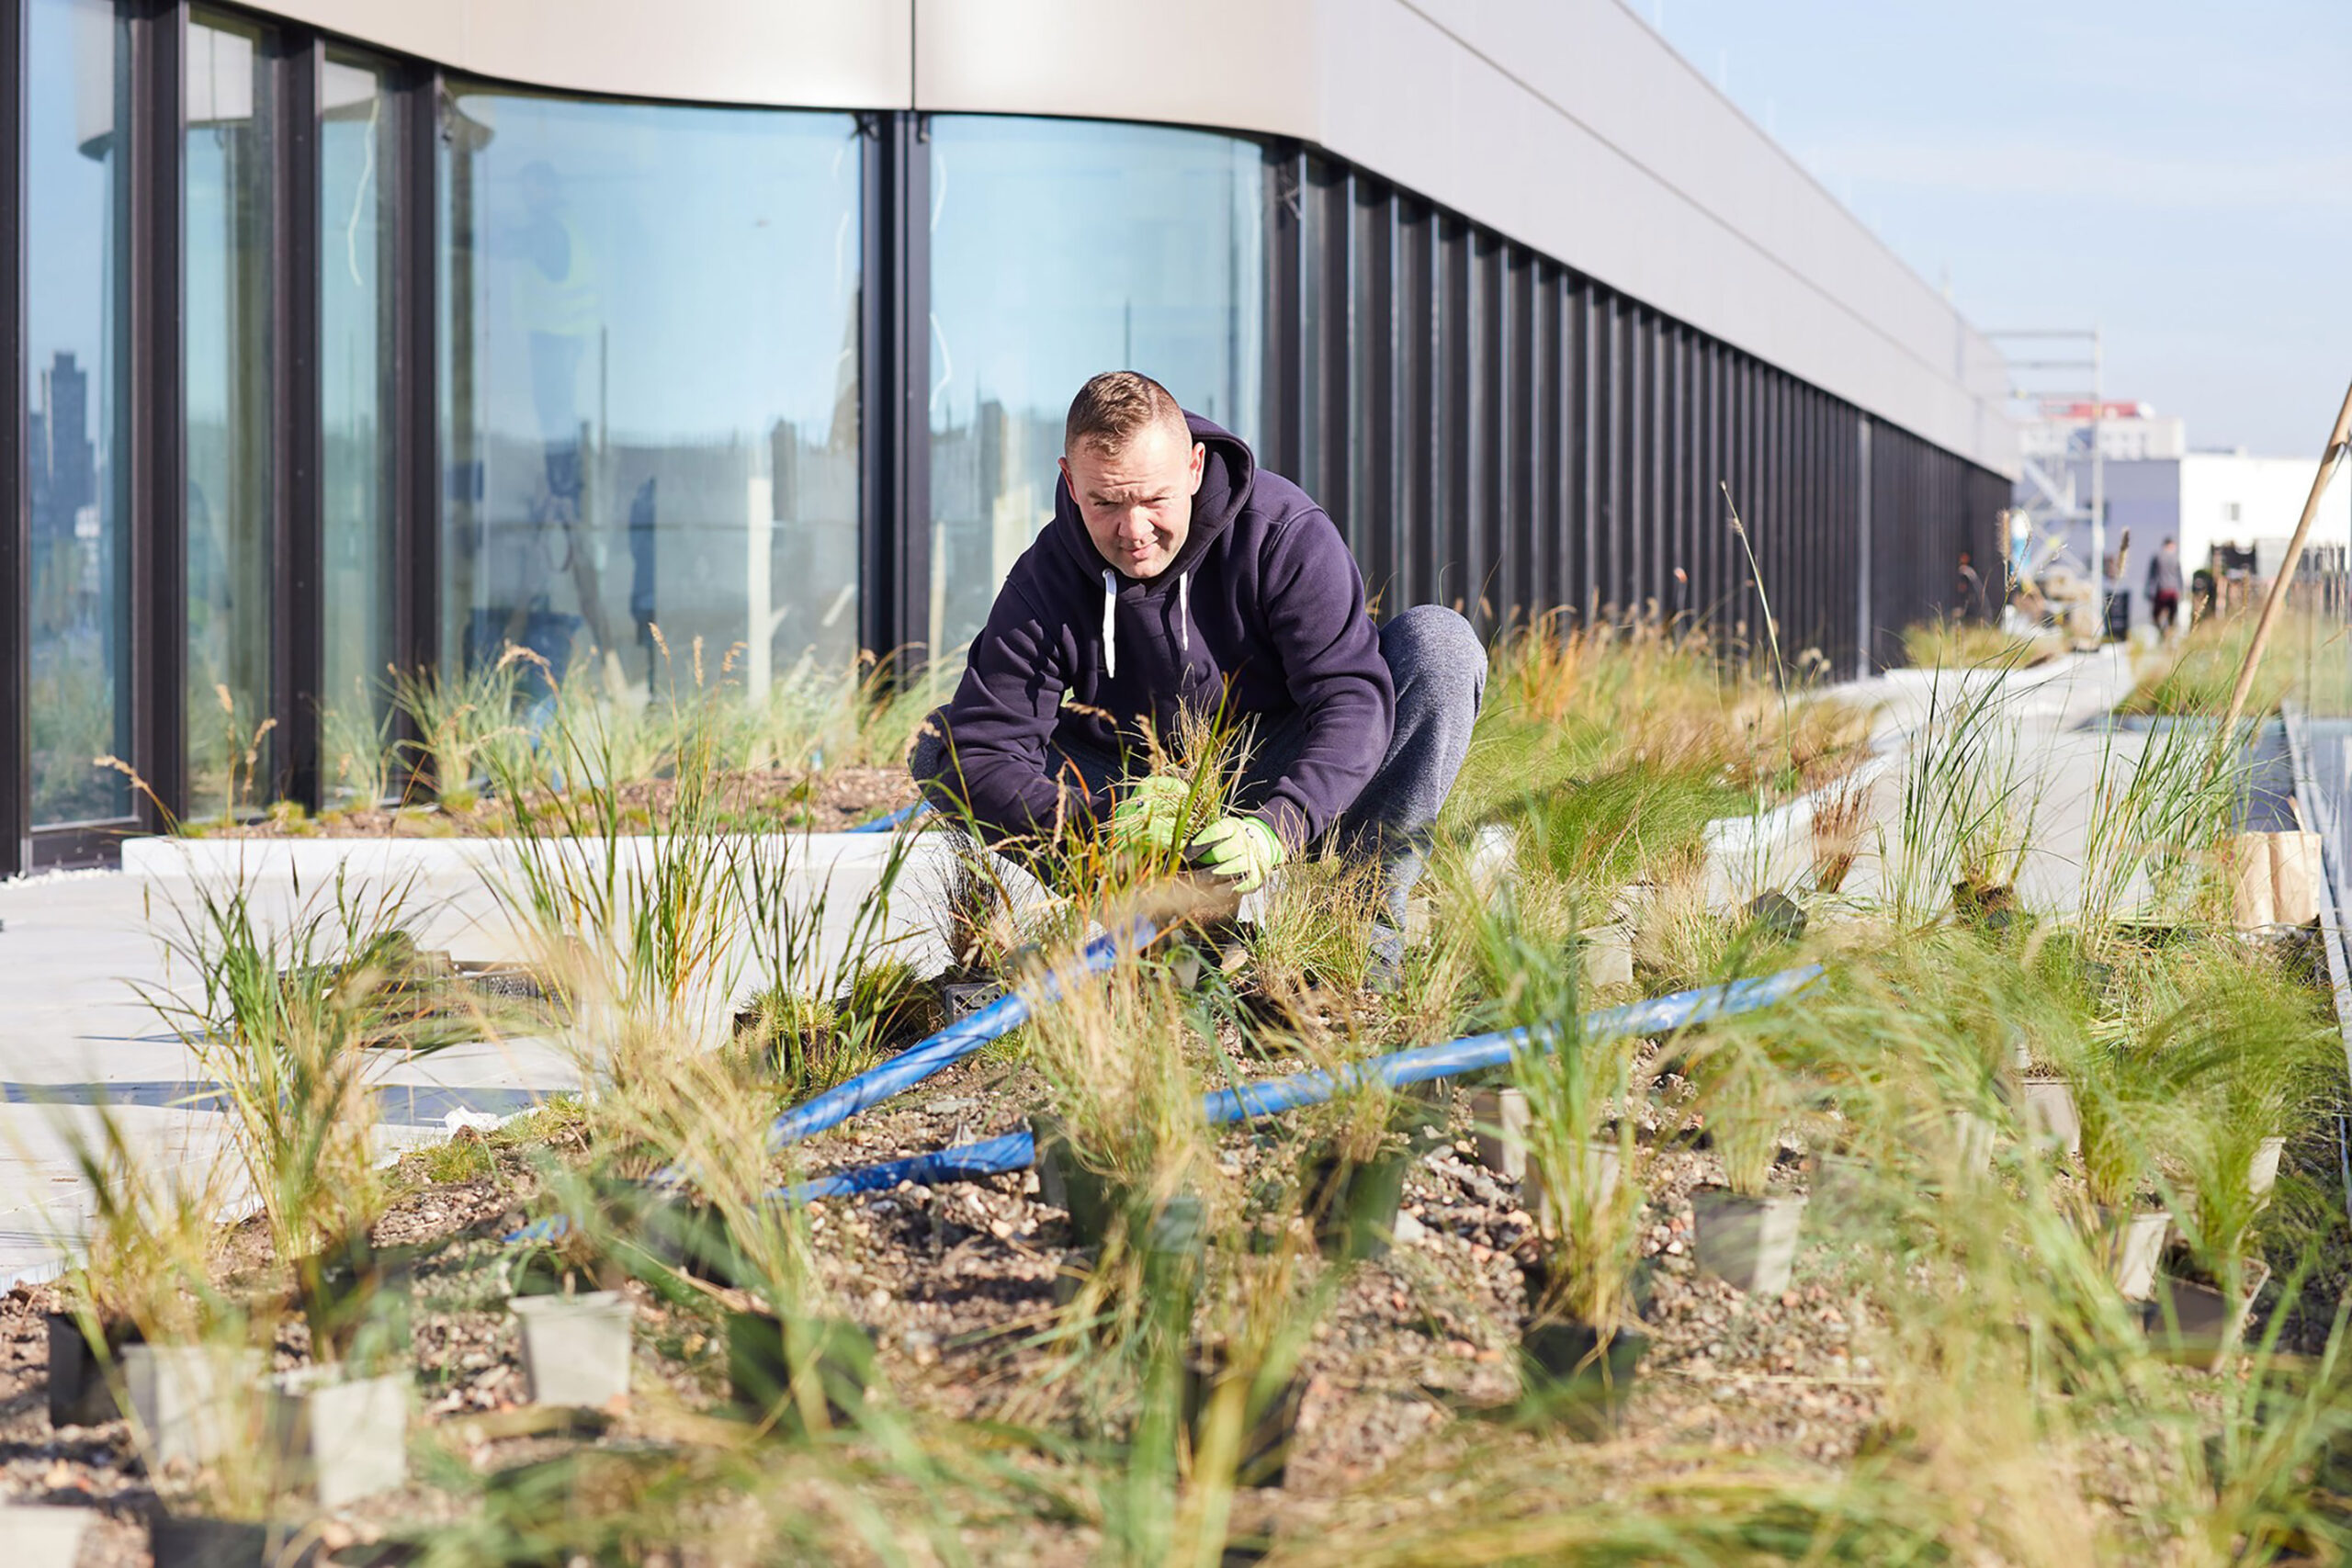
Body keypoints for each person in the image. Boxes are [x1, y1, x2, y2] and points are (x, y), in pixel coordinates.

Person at [910, 370, 1485, 976]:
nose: (1133, 532)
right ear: (1070, 482)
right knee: (942, 746)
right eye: (1105, 501)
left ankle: (1359, 940)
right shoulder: (1045, 580)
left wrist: (1280, 824)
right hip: (1135, 799)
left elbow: (1352, 700)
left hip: (1279, 773)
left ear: (1193, 467)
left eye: (1153, 499)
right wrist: (1100, 820)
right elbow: (985, 750)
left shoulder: (1281, 532)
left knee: (1441, 646)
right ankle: (1166, 925)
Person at [2146, 536, 2185, 638]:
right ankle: (2169, 636)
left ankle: (2163, 634)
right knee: (2172, 619)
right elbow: (2180, 577)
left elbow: (2152, 576)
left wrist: (2149, 592)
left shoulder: (2157, 557)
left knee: (2156, 617)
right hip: (2173, 592)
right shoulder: (2176, 558)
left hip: (2161, 591)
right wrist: (2181, 592)